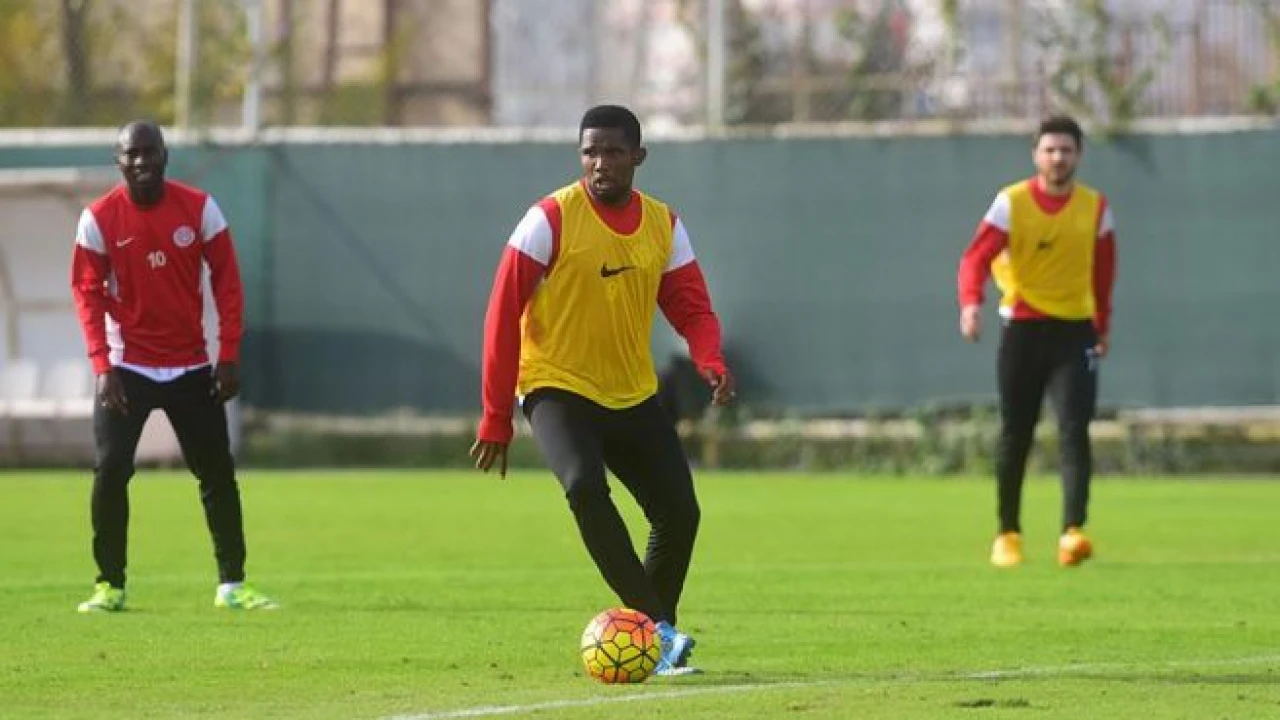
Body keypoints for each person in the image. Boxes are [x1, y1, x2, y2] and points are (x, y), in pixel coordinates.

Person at [470, 105, 734, 676]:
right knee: (585, 487)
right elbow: (501, 313)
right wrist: (496, 415)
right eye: (590, 151)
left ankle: (651, 640)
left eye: (613, 151)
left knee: (679, 514)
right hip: (556, 385)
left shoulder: (664, 225)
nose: (600, 163)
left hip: (630, 392)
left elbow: (691, 306)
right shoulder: (548, 219)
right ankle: (658, 629)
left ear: (638, 156)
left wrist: (709, 358)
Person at [70, 120, 277, 612]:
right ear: (119, 161)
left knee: (217, 474)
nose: (142, 161)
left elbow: (228, 281)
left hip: (191, 365)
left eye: (150, 151)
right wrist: (102, 365)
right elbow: (87, 293)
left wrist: (228, 354)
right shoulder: (98, 219)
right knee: (110, 472)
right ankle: (109, 585)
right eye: (132, 154)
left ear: (165, 155)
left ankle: (232, 585)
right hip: (127, 366)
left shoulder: (201, 209)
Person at [956, 115, 1117, 569]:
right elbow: (975, 259)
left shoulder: (1095, 208)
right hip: (1023, 330)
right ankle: (1007, 534)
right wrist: (971, 304)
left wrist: (1102, 325)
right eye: (1050, 150)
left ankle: (1073, 532)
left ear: (1078, 155)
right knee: (1016, 431)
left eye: (1066, 150)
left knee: (1075, 429)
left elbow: (1104, 272)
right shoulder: (1011, 203)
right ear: (1035, 155)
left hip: (1075, 333)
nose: (1057, 158)